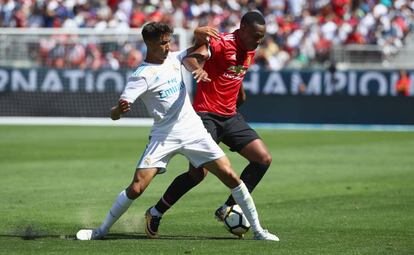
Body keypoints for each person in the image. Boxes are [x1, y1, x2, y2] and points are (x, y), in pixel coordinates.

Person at [75, 22, 279, 241]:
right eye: (163, 43)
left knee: (231, 176)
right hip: (164, 136)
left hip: (193, 131)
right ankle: (100, 231)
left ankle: (259, 231)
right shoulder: (141, 75)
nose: (167, 47)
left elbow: (195, 52)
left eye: (169, 42)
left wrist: (198, 35)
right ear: (149, 43)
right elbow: (115, 114)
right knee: (136, 188)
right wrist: (118, 110)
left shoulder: (173, 57)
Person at [146, 11, 275, 237]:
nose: (259, 41)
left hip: (230, 116)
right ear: (243, 29)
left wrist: (239, 94)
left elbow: (235, 73)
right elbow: (189, 58)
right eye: (256, 35)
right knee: (198, 175)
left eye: (261, 37)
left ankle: (228, 206)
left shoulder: (250, 48)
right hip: (206, 116)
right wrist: (197, 69)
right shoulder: (221, 43)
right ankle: (156, 212)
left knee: (263, 159)